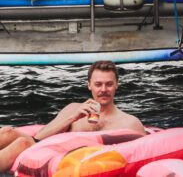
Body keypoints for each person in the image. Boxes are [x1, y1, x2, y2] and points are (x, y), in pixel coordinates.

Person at [0, 60, 145, 172]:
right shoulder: (74, 109)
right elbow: (40, 136)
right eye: (98, 84)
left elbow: (143, 154)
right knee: (8, 131)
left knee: (22, 143)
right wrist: (72, 117)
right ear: (89, 85)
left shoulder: (130, 123)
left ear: (116, 85)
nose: (103, 90)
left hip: (82, 163)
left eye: (109, 84)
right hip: (52, 152)